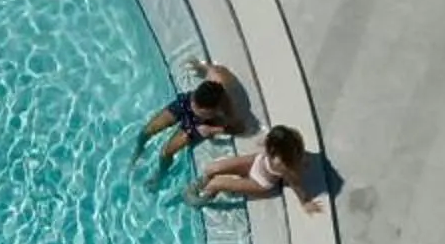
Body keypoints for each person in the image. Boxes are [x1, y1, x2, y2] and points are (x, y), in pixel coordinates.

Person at [134, 61, 243, 173]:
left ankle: (159, 176)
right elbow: (212, 69)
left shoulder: (227, 110)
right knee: (147, 131)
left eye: (198, 109)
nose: (193, 107)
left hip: (197, 124)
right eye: (194, 102)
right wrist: (199, 66)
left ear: (214, 110)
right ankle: (137, 151)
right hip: (185, 103)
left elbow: (237, 128)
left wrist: (214, 129)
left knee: (166, 152)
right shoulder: (213, 78)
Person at [194, 123, 324, 215]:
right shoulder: (292, 135)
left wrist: (305, 201)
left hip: (260, 181)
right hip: (257, 162)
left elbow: (295, 184)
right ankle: (201, 184)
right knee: (211, 169)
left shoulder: (282, 164)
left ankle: (201, 199)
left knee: (217, 184)